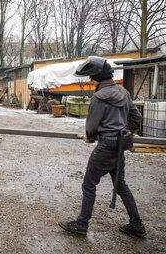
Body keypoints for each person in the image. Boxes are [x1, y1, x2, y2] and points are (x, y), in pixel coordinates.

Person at [59, 56, 146, 238]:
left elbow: (91, 127)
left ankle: (81, 224)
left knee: (89, 185)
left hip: (105, 147)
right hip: (119, 147)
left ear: (97, 77)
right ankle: (137, 225)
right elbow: (136, 119)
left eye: (92, 78)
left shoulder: (98, 97)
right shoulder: (124, 92)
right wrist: (123, 131)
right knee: (121, 185)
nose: (91, 81)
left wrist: (90, 137)